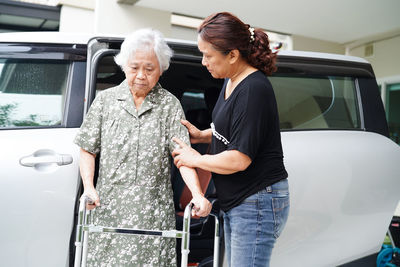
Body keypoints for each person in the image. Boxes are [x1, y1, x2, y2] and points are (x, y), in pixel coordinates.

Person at [74, 28, 211, 266]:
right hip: (109, 209)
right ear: (124, 64)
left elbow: (183, 156)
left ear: (161, 69)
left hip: (152, 212)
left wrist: (198, 195)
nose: (140, 75)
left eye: (149, 69)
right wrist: (88, 187)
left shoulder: (169, 105)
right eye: (134, 67)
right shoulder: (105, 101)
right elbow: (87, 148)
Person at [172, 12, 290, 267]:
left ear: (233, 55)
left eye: (208, 55)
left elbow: (239, 159)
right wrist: (203, 135)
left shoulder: (254, 89)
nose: (203, 62)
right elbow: (232, 131)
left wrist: (197, 159)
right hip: (240, 199)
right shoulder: (230, 80)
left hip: (257, 199)